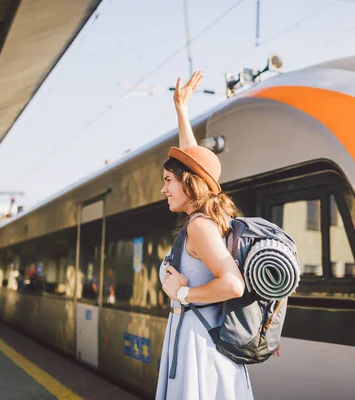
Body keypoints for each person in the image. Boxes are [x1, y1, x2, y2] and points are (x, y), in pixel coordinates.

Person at [156, 71, 253, 399]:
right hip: (197, 340)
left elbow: (233, 284)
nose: (163, 188)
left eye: (168, 180)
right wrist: (181, 110)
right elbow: (193, 161)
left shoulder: (199, 225)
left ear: (187, 183)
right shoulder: (205, 217)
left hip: (201, 349)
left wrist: (182, 295)